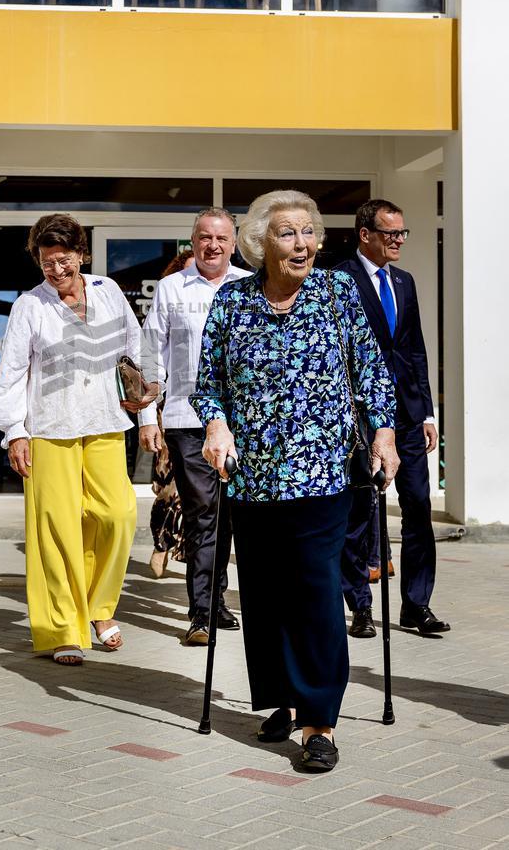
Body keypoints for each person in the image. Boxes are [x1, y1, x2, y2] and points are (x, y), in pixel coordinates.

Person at [191, 190, 398, 772]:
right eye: (288, 233)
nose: (303, 243)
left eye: (309, 232)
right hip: (253, 475)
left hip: (321, 474)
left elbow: (372, 372)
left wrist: (383, 435)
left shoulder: (336, 295)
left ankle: (317, 721)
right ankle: (278, 699)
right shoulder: (232, 302)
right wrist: (215, 423)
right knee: (263, 595)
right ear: (261, 243)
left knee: (313, 593)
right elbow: (208, 382)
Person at [0, 214, 160, 666]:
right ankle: (61, 628)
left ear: (81, 254)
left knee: (118, 515)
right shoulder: (30, 306)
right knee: (56, 531)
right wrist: (15, 433)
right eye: (47, 262)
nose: (57, 270)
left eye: (64, 260)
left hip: (105, 420)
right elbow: (10, 376)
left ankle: (98, 606)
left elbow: (136, 350)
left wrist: (148, 405)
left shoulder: (108, 292)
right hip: (49, 429)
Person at [339, 199, 450, 638]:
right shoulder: (339, 280)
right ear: (366, 234)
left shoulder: (404, 282)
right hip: (362, 413)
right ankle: (361, 605)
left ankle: (416, 604)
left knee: (419, 507)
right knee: (361, 512)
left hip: (406, 413)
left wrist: (426, 412)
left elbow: (415, 348)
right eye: (391, 233)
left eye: (403, 233)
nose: (399, 240)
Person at [139, 209, 251, 644]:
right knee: (204, 514)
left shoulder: (249, 287)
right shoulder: (172, 288)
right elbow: (152, 355)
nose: (213, 245)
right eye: (205, 237)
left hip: (244, 426)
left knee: (233, 518)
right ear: (193, 241)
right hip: (189, 421)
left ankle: (220, 600)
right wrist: (149, 416)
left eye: (221, 238)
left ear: (234, 242)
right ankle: (200, 614)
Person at [148, 251, 194, 578]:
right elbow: (151, 355)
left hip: (207, 415)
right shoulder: (169, 300)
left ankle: (181, 547)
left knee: (193, 493)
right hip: (172, 408)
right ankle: (162, 542)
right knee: (169, 487)